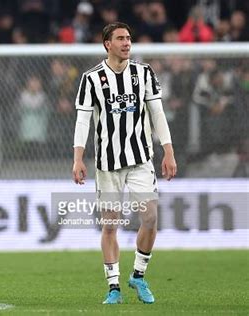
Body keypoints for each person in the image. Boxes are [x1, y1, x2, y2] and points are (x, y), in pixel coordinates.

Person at [72, 22, 176, 304]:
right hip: (107, 163)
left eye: (129, 38)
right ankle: (113, 286)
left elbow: (158, 114)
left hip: (141, 159)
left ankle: (138, 276)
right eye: (121, 38)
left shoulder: (144, 73)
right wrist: (78, 158)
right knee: (110, 225)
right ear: (107, 43)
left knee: (151, 218)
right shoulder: (91, 78)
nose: (127, 43)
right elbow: (83, 120)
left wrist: (168, 151)